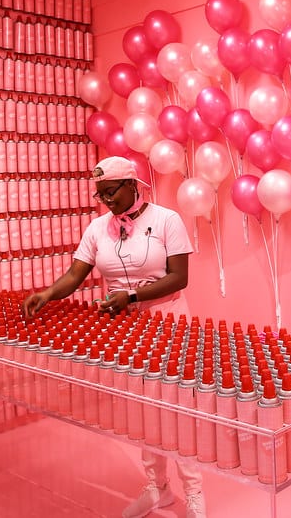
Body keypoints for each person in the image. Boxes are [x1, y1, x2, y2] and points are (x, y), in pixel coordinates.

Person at [22, 156, 205, 518]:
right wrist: (47, 293)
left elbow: (179, 277)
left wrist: (133, 296)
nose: (107, 200)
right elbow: (76, 273)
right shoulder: (98, 229)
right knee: (141, 410)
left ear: (133, 185)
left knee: (176, 407)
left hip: (167, 320)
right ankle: (157, 487)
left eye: (112, 192)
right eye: (101, 194)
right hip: (125, 328)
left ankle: (194, 492)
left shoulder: (167, 220)